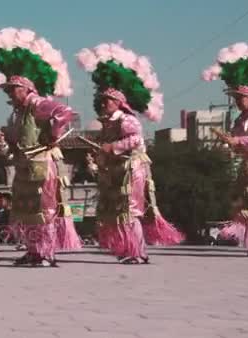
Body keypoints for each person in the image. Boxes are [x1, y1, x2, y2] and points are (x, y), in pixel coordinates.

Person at [77, 42, 184, 264]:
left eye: (108, 100)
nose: (103, 103)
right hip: (116, 170)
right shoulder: (107, 123)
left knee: (130, 210)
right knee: (117, 211)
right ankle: (127, 249)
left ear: (118, 102)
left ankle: (138, 252)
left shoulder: (127, 120)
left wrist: (112, 147)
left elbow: (136, 139)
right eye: (102, 100)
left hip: (132, 169)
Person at [0, 27, 83, 266]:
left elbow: (64, 112)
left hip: (42, 166)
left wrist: (53, 134)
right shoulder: (16, 114)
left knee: (44, 211)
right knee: (26, 212)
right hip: (24, 167)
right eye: (8, 89)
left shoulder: (37, 103)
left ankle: (46, 253)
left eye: (14, 88)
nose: (10, 92)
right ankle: (33, 250)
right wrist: (7, 142)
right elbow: (15, 143)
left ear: (27, 88)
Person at [203, 42, 248, 256]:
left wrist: (239, 141)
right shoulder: (240, 118)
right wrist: (229, 142)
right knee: (246, 206)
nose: (236, 101)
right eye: (235, 98)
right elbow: (237, 140)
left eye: (239, 98)